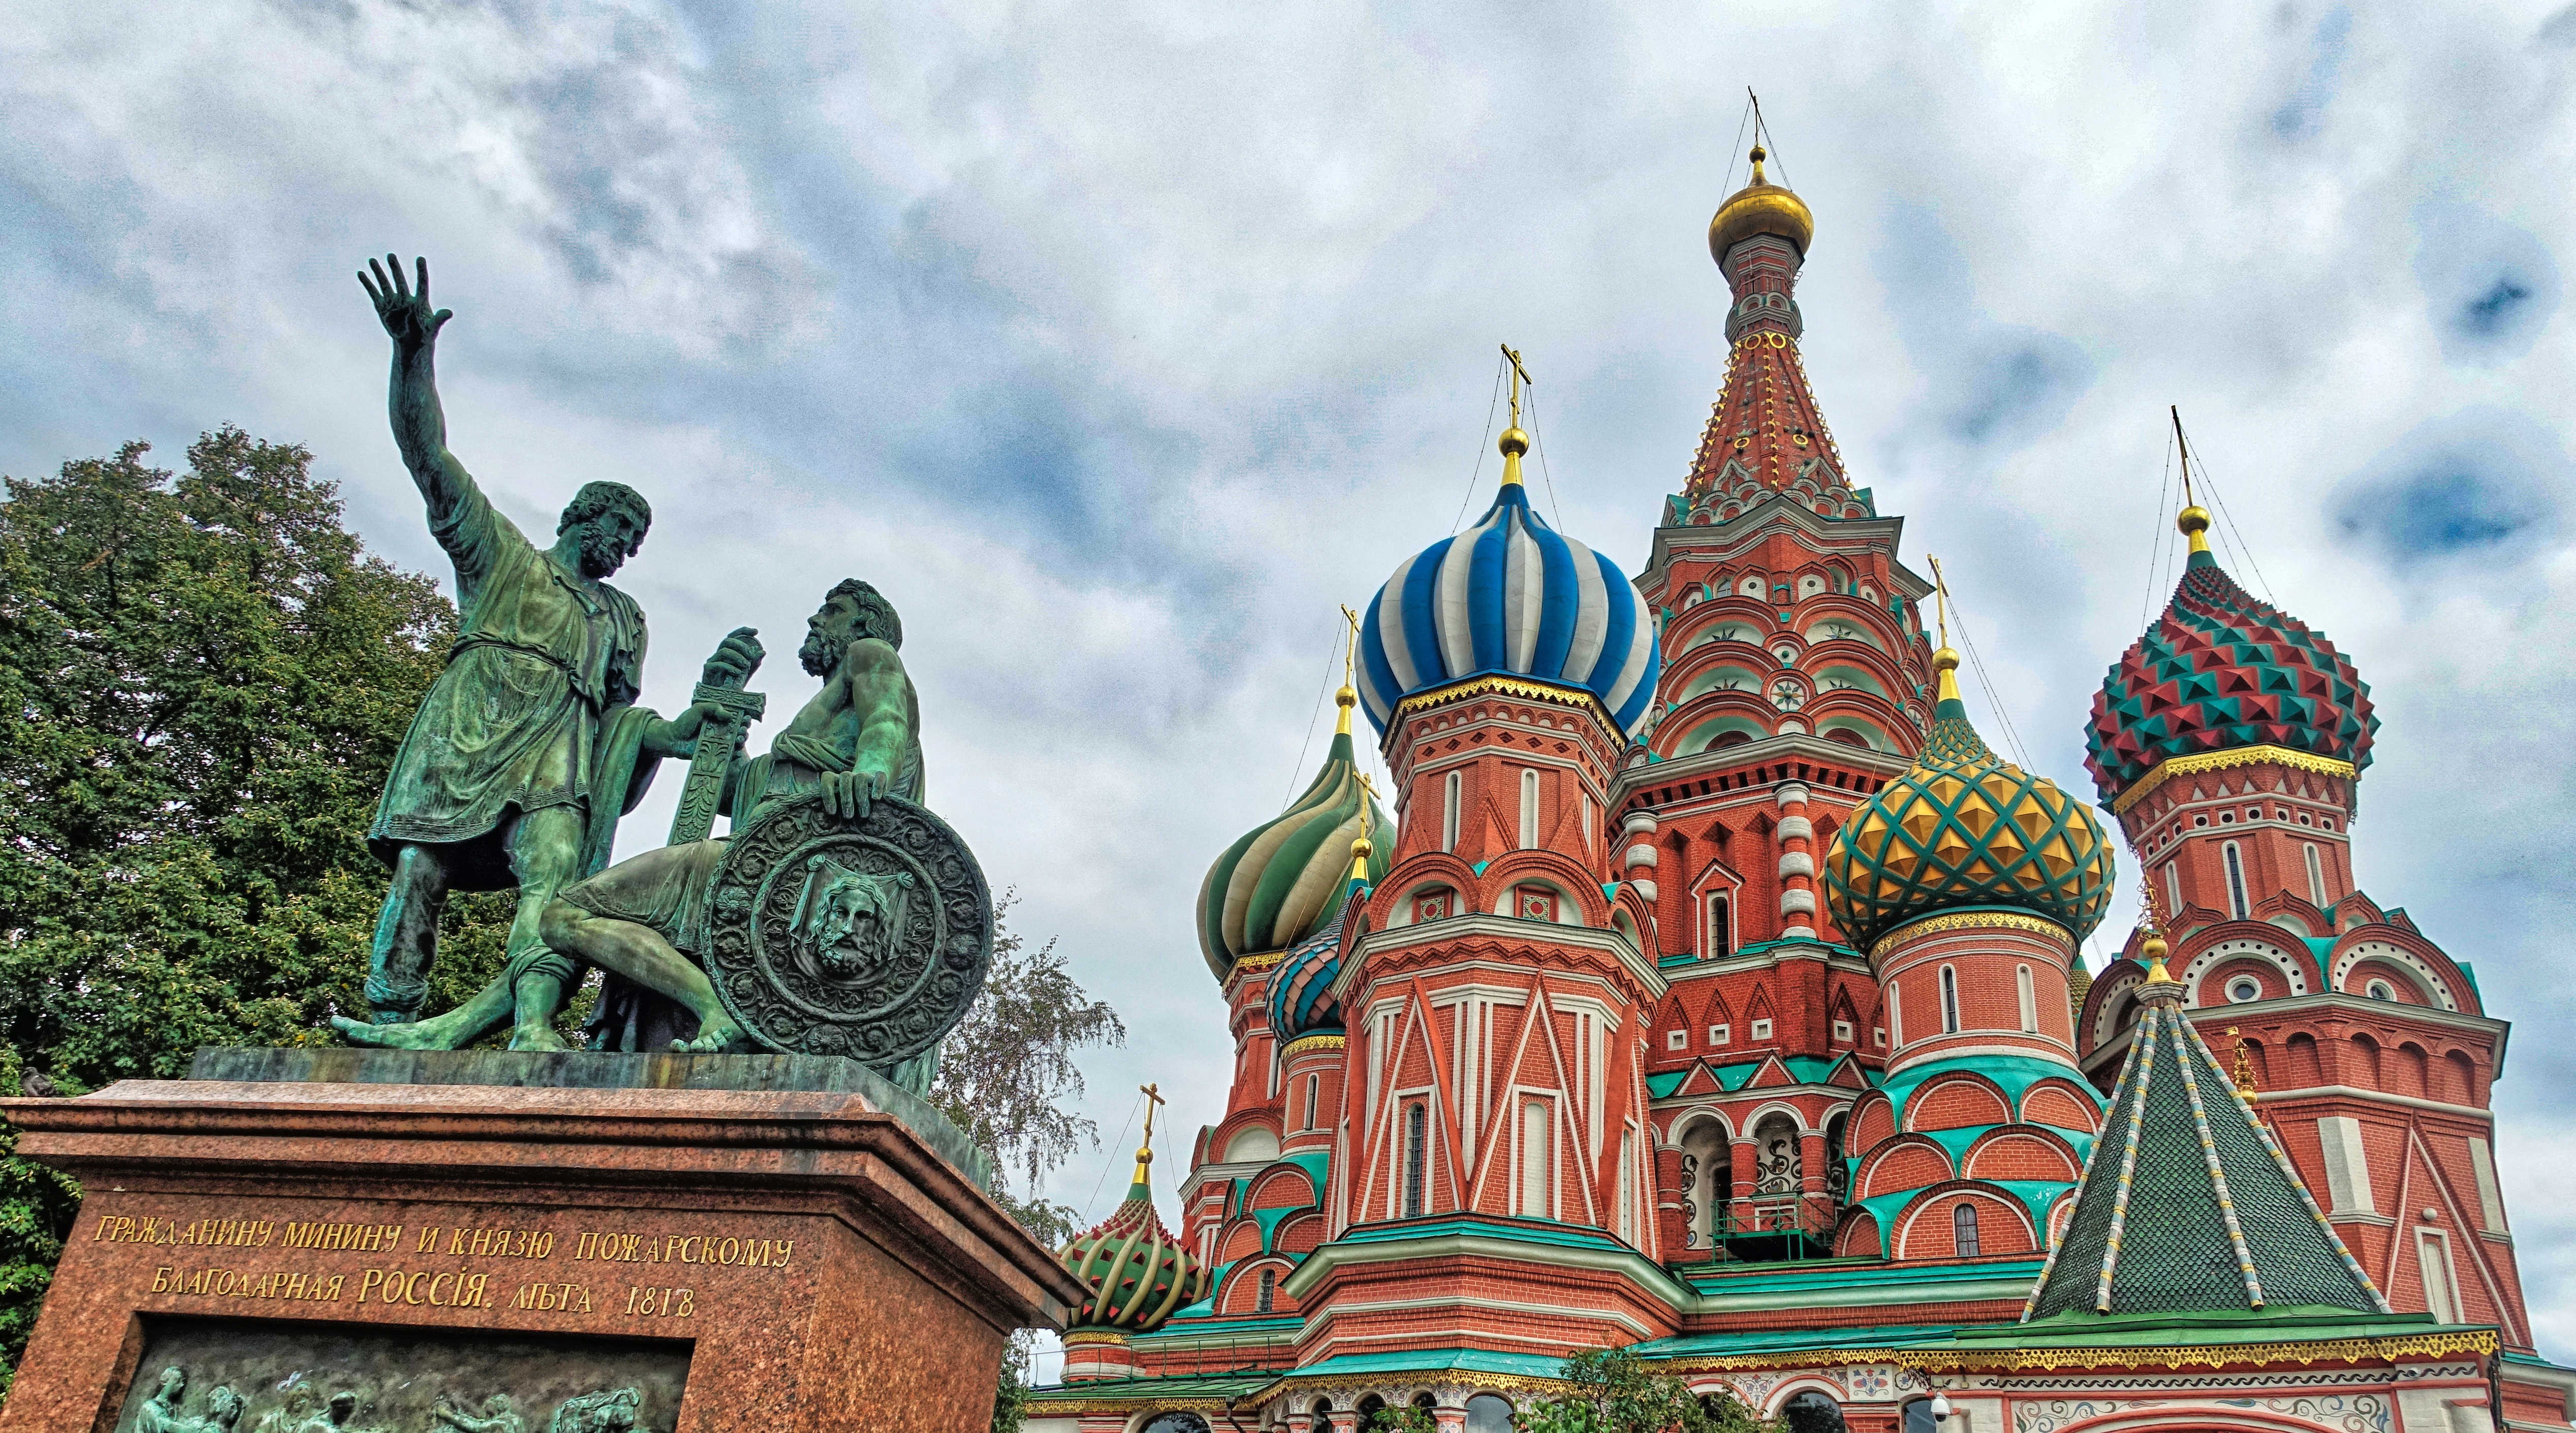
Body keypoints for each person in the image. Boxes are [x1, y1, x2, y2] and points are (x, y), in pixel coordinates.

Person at [353, 254, 754, 1034]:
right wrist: (413, 355)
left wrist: (695, 723)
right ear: (581, 515)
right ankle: (391, 1013)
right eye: (620, 531)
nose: (626, 549)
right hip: (466, 735)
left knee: (555, 879)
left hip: (555, 762)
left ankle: (534, 1023)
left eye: (636, 541)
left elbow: (618, 733)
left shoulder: (620, 617)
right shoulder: (502, 559)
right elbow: (428, 457)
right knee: (419, 870)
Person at [339, 579, 927, 1082]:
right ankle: (455, 1028)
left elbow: (889, 721)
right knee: (574, 915)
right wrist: (721, 717)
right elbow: (734, 793)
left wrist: (871, 772)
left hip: (772, 871)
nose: (816, 618)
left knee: (566, 915)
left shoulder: (870, 656)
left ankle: (710, 1004)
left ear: (864, 624)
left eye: (832, 609)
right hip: (754, 859)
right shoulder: (824, 715)